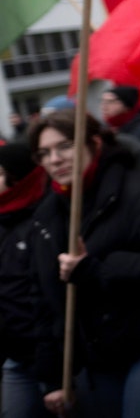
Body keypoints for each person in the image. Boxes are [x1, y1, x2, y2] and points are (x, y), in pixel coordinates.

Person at [27, 110, 140, 418]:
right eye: (44, 153)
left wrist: (97, 270)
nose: (54, 159)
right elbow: (47, 299)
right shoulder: (48, 215)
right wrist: (56, 374)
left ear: (94, 143)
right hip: (101, 356)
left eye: (65, 146)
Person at [0, 143, 48, 417]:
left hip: (50, 356)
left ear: (17, 178)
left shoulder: (44, 222)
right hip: (15, 356)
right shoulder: (2, 221)